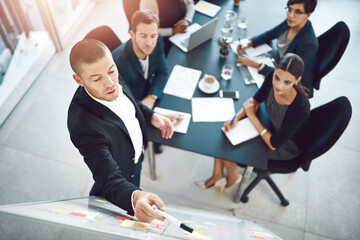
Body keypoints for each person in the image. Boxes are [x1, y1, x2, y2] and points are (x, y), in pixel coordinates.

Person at [68, 39, 175, 223]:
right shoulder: (82, 124)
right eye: (96, 79)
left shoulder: (110, 74)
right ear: (79, 80)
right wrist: (133, 196)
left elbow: (130, 102)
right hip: (121, 175)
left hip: (135, 157)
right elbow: (108, 177)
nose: (110, 83)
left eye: (111, 71)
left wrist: (150, 116)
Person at [198, 53, 310, 192]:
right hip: (270, 126)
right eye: (277, 77)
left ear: (297, 80)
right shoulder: (272, 77)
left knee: (230, 147)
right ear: (275, 71)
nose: (279, 85)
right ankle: (218, 175)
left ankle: (232, 177)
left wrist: (252, 116)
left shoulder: (300, 108)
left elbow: (274, 144)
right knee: (225, 131)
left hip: (285, 146)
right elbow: (255, 100)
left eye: (287, 82)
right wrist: (235, 119)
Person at [112, 10, 182, 153]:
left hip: (149, 93)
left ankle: (156, 141)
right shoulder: (118, 63)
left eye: (153, 35)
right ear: (132, 34)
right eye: (143, 36)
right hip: (132, 106)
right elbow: (123, 101)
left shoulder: (158, 40)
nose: (150, 42)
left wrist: (152, 96)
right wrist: (150, 111)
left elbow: (162, 71)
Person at [236, 0, 318, 97]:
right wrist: (249, 43)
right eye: (290, 9)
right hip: (279, 62)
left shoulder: (308, 44)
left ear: (308, 14)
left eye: (298, 12)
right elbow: (270, 34)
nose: (291, 15)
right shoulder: (291, 22)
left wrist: (257, 65)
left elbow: (287, 76)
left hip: (293, 85)